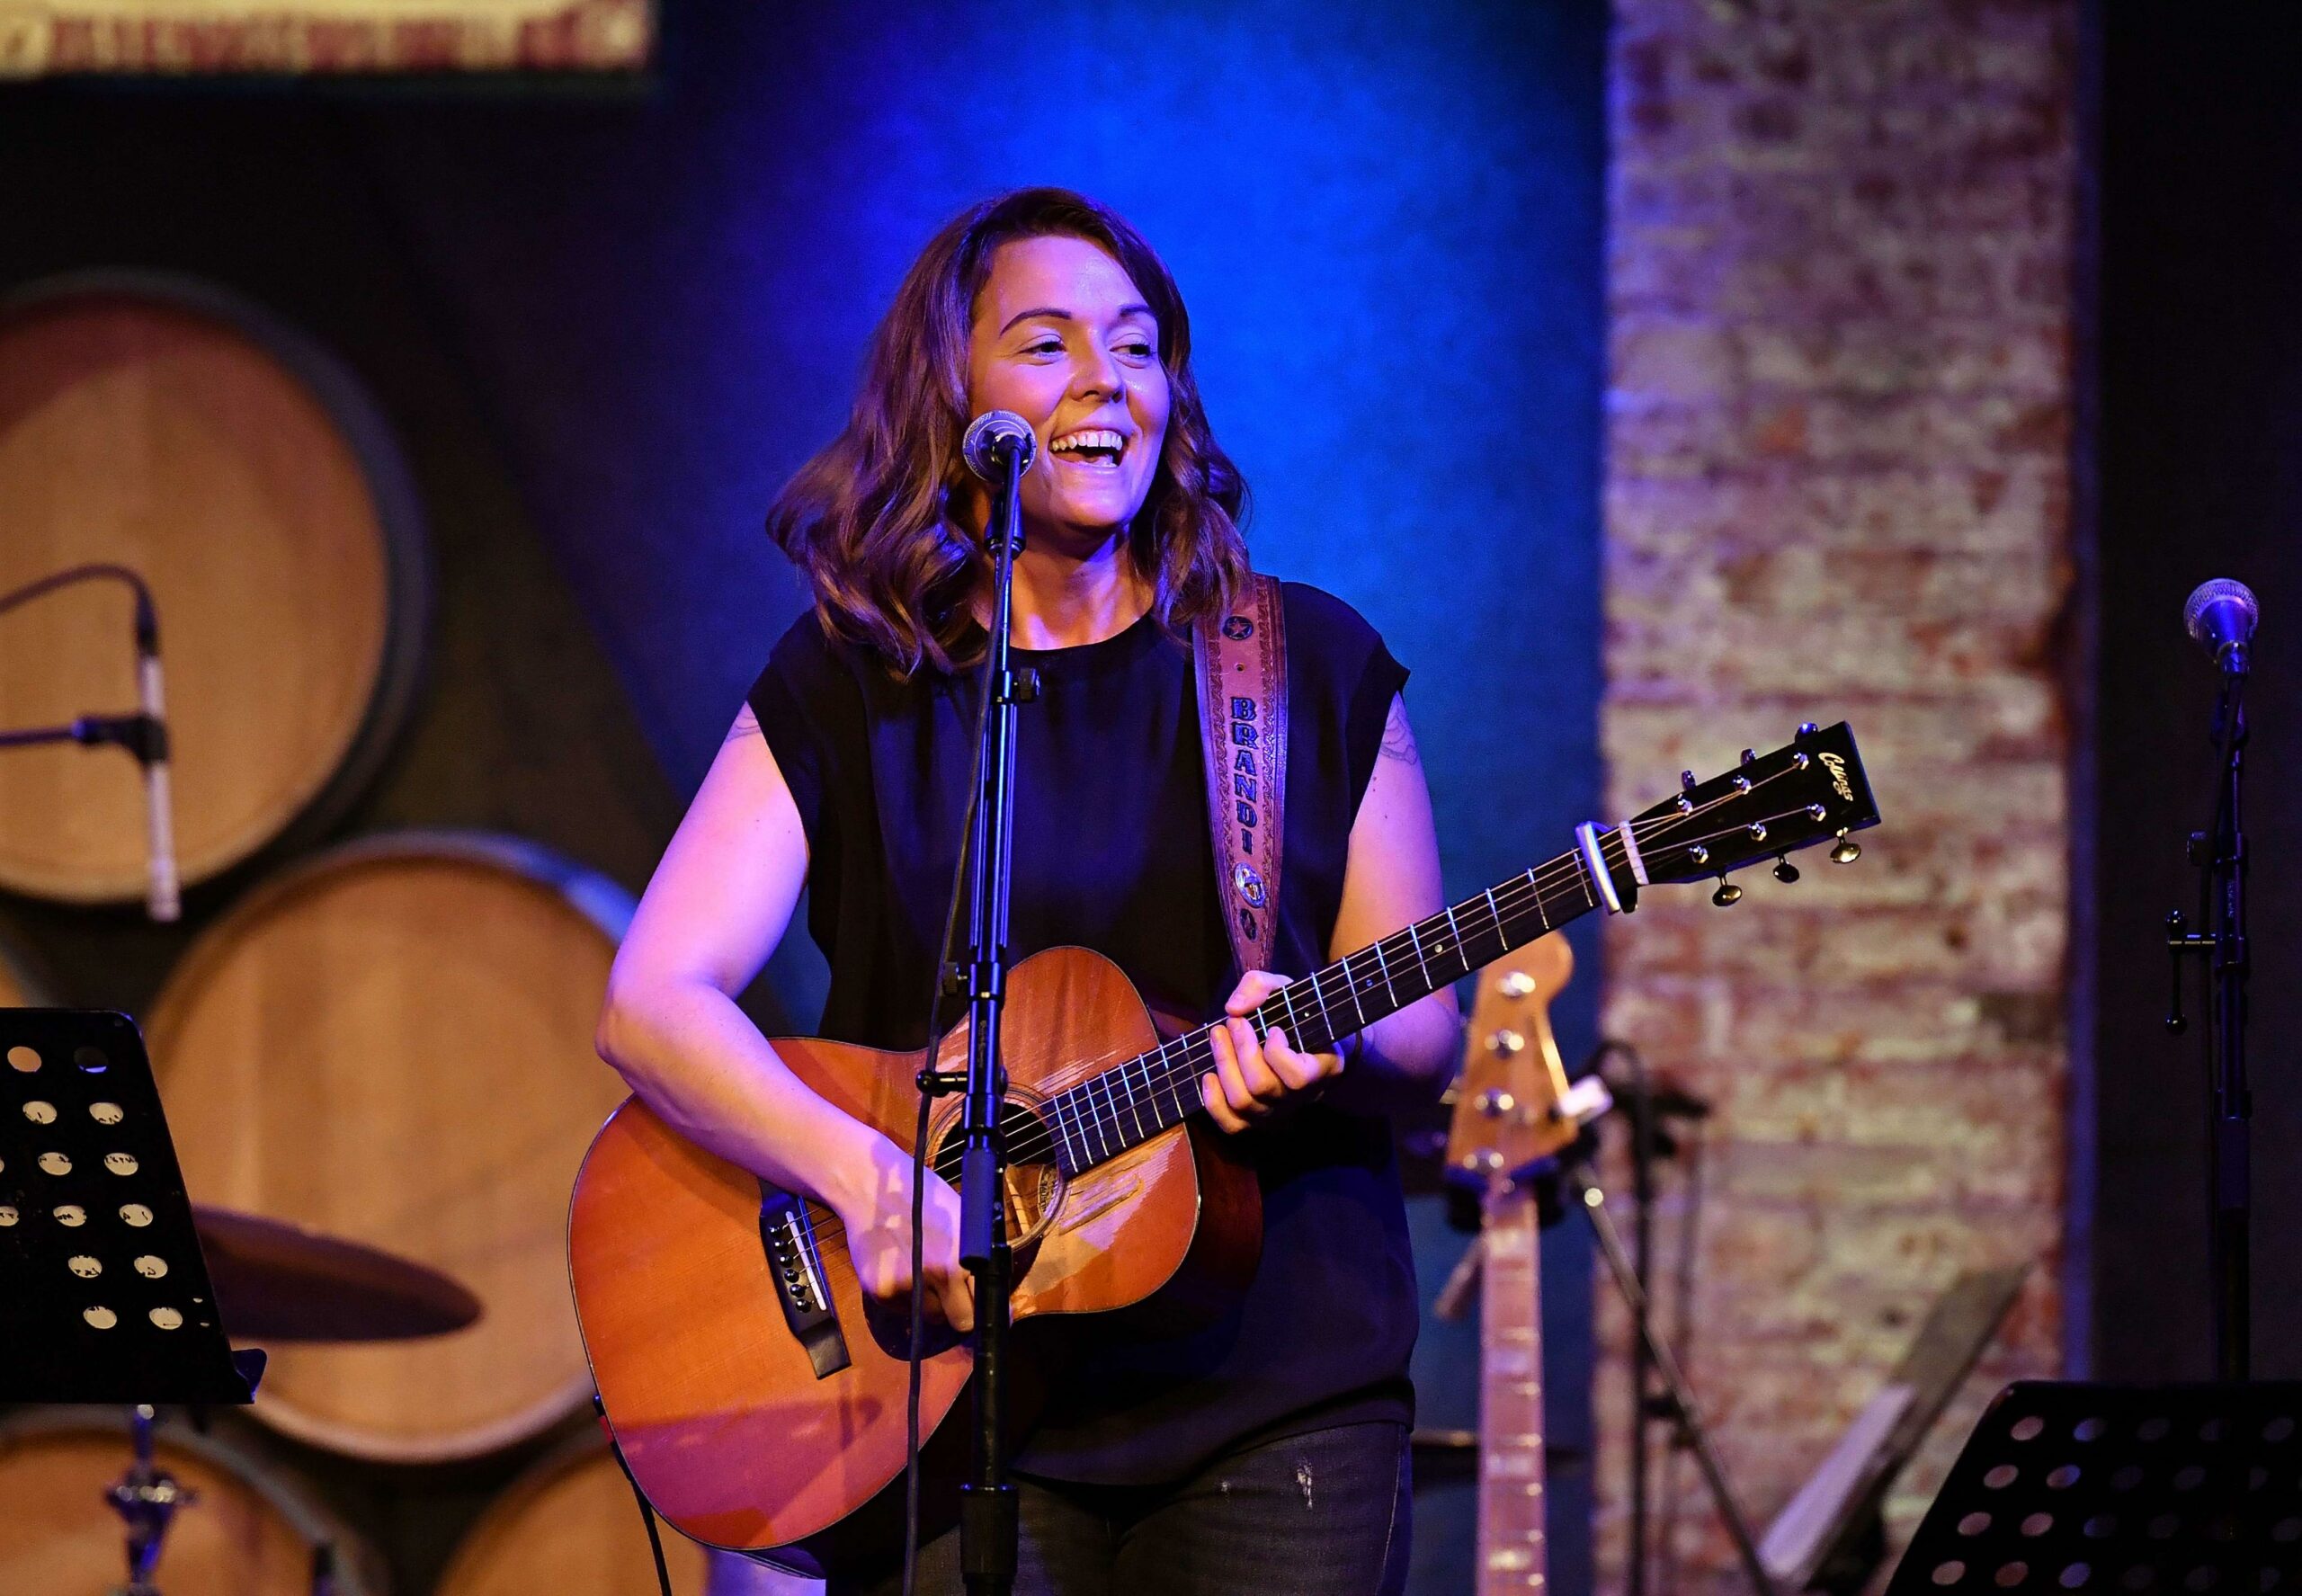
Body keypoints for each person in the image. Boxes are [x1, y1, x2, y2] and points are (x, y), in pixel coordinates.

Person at [595, 187, 1459, 1596]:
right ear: (955, 400)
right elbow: (651, 1002)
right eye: (1047, 345)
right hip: (948, 1399)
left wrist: (1334, 1034)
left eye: (1136, 346)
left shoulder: (1302, 659)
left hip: (1275, 1399)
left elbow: (1429, 1032)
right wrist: (867, 1180)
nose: (1105, 381)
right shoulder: (854, 680)